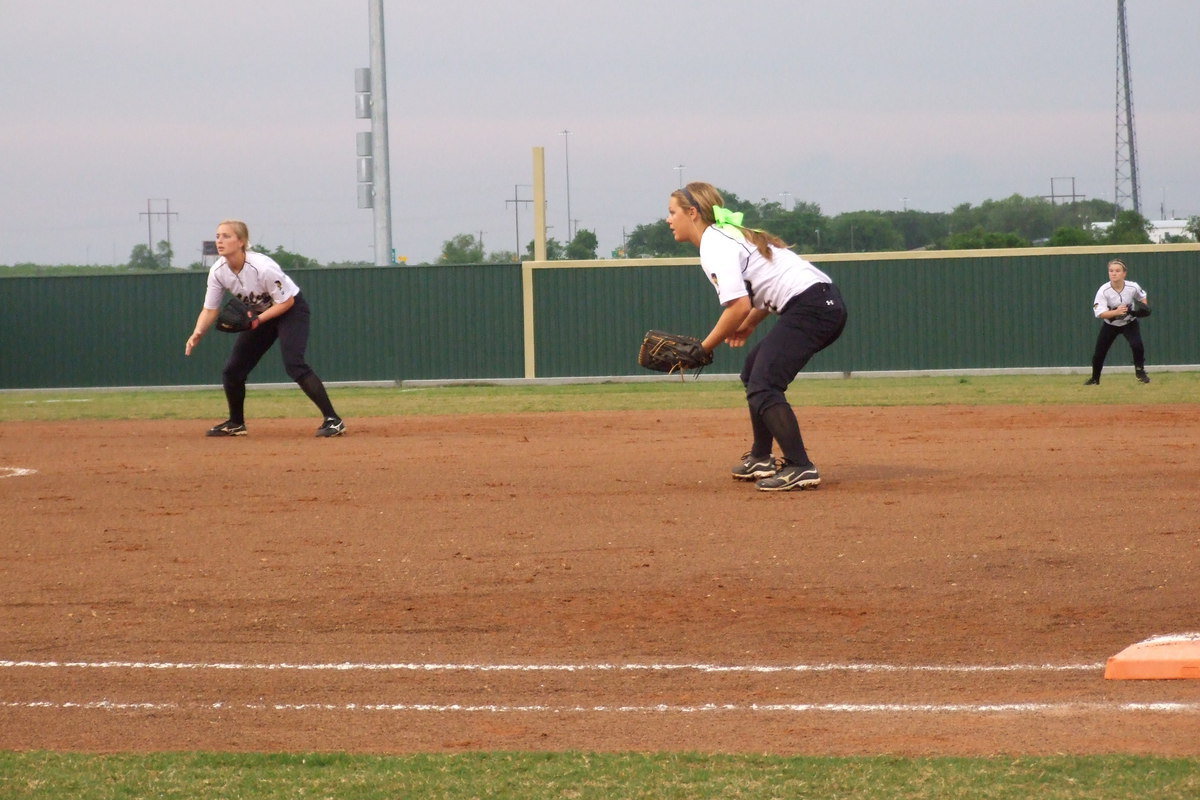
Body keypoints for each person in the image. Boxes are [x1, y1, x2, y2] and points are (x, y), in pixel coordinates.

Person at [666, 182, 847, 491]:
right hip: (818, 303)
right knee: (753, 372)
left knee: (765, 384)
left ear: (692, 213)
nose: (668, 220)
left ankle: (801, 466)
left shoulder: (714, 243)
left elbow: (738, 305)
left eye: (672, 212)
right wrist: (750, 324)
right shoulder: (731, 235)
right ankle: (761, 457)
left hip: (812, 308)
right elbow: (764, 285)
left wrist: (702, 348)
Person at [184, 219, 345, 437]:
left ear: (241, 242)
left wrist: (257, 321)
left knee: (294, 364)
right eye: (218, 236)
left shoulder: (263, 267)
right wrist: (198, 332)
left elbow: (286, 303)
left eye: (226, 236)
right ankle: (236, 423)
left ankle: (333, 420)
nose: (219, 241)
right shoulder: (218, 271)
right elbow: (210, 309)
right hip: (261, 316)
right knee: (233, 371)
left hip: (291, 310)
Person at [1085, 258, 1150, 385]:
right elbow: (1099, 313)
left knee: (1137, 345)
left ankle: (1140, 372)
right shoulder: (1104, 290)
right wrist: (1116, 312)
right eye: (1111, 271)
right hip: (1111, 325)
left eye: (1117, 271)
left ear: (1124, 273)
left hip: (1129, 322)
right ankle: (1095, 379)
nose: (1114, 273)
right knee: (1099, 352)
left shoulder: (1133, 287)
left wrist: (1142, 308)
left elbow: (1142, 298)